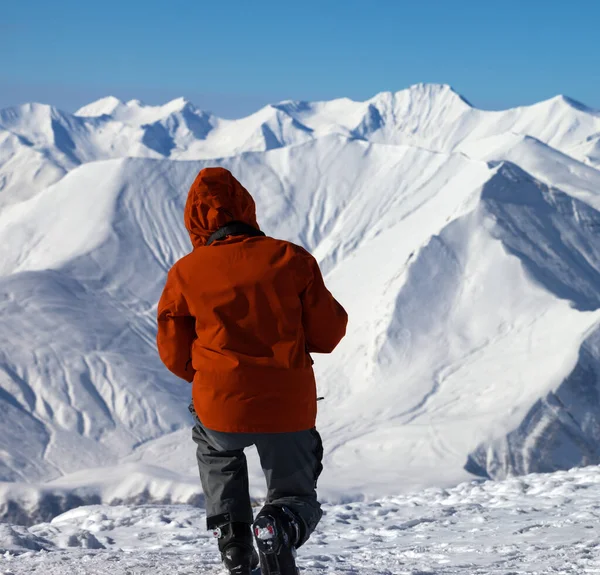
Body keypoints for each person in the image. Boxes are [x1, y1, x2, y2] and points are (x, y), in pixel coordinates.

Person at [156, 167, 348, 574]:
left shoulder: (186, 272)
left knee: (215, 448)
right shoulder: (290, 258)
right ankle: (278, 525)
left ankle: (233, 540)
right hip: (287, 405)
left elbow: (173, 354)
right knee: (294, 492)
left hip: (221, 403)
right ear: (247, 207)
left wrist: (211, 375)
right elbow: (329, 334)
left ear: (194, 220)